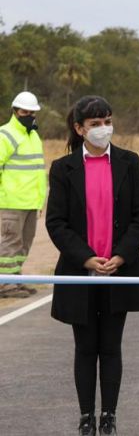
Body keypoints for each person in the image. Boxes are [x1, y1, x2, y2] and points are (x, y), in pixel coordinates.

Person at [46, 96, 139, 435]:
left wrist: (121, 255)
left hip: (120, 269)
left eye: (107, 120)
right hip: (80, 272)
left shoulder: (129, 162)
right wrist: (86, 258)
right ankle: (85, 417)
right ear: (79, 129)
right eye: (95, 123)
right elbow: (57, 223)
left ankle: (108, 415)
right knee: (85, 347)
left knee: (110, 346)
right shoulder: (63, 169)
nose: (103, 128)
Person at [0, 91, 47, 298]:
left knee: (24, 244)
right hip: (10, 202)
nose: (29, 115)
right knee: (10, 243)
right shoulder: (6, 134)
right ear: (15, 111)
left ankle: (15, 279)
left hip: (30, 202)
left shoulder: (33, 135)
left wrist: (39, 200)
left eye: (32, 112)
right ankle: (5, 284)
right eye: (25, 111)